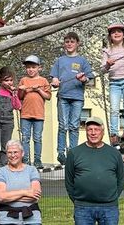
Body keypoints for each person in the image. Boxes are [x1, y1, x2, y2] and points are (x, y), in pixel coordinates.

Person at [64, 116, 124, 225]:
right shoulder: (74, 153)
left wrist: (112, 197)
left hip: (109, 208)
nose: (93, 133)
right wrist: (78, 200)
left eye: (96, 130)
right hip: (83, 208)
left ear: (102, 132)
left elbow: (121, 179)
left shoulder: (114, 154)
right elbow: (69, 182)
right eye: (90, 129)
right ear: (86, 132)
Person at [49, 31, 94, 164]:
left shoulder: (82, 60)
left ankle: (73, 151)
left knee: (74, 125)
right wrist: (55, 80)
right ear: (64, 44)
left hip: (77, 97)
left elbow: (89, 78)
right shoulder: (60, 60)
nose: (69, 44)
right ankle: (61, 152)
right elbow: (54, 77)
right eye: (67, 42)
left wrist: (83, 79)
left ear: (77, 43)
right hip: (63, 96)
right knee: (63, 125)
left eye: (72, 42)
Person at [101, 23, 124, 142]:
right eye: (113, 32)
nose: (116, 34)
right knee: (114, 108)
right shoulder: (107, 51)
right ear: (110, 36)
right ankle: (114, 133)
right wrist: (108, 64)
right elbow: (102, 70)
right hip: (114, 82)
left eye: (119, 31)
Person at [0, 140, 42, 225]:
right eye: (9, 152)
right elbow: (1, 197)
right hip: (6, 218)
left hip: (32, 217)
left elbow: (35, 196)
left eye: (15, 152)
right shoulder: (0, 172)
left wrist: (9, 196)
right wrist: (25, 192)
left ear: (22, 153)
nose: (12, 155)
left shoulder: (32, 170)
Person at [17, 55, 51, 169]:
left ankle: (37, 160)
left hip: (38, 114)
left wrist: (39, 89)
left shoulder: (43, 80)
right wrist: (22, 90)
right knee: (25, 138)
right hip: (25, 114)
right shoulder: (23, 80)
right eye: (28, 67)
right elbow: (20, 97)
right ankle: (26, 160)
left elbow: (48, 96)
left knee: (37, 138)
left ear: (39, 68)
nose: (30, 69)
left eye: (33, 67)